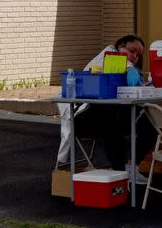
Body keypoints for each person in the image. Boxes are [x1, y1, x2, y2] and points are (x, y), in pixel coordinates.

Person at [60, 35, 156, 184]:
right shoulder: (108, 55)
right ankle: (120, 173)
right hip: (83, 117)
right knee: (111, 123)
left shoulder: (127, 69)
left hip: (111, 116)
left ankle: (131, 167)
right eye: (132, 51)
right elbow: (116, 61)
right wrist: (131, 70)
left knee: (148, 126)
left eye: (138, 55)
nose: (135, 57)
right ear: (120, 46)